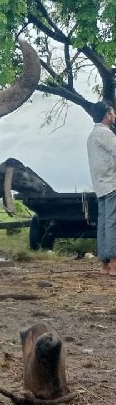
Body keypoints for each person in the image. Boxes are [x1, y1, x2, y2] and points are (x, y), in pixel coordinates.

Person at [86, 101, 116, 275]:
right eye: (112, 113)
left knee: (104, 222)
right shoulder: (106, 134)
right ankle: (114, 262)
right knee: (113, 221)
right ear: (107, 115)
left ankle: (105, 264)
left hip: (101, 184)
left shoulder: (92, 135)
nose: (114, 115)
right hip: (112, 183)